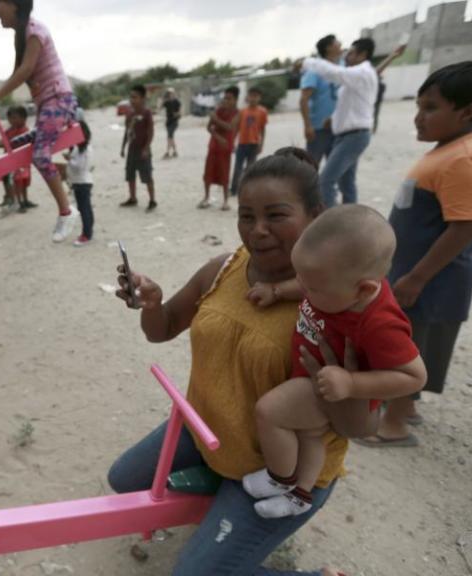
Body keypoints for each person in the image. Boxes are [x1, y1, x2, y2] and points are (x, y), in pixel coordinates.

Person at [109, 149, 347, 576]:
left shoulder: (336, 304)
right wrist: (152, 302)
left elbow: (365, 422)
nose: (257, 231)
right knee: (123, 480)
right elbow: (161, 329)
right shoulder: (224, 269)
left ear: (316, 215)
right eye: (246, 216)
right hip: (204, 430)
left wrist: (341, 388)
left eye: (275, 216)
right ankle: (222, 502)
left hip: (276, 470)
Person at [241, 205, 426, 519]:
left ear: (364, 289)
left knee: (269, 412)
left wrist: (352, 383)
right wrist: (277, 290)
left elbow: (414, 376)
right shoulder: (335, 281)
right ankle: (300, 496)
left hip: (330, 384)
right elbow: (304, 283)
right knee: (308, 435)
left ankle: (280, 478)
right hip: (319, 376)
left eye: (313, 288)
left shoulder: (380, 322)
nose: (305, 291)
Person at [359, 61, 472, 447]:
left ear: (468, 111)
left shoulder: (467, 158)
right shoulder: (449, 148)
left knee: (407, 347)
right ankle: (404, 407)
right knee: (406, 340)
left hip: (429, 280)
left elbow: (466, 226)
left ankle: (395, 425)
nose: (419, 117)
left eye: (431, 108)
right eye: (419, 106)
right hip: (413, 273)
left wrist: (417, 278)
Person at [0, 0, 78, 243]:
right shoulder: (23, 34)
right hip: (49, 104)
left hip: (58, 100)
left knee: (39, 154)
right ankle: (66, 204)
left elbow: (25, 70)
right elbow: (24, 72)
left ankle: (66, 211)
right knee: (24, 141)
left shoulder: (35, 31)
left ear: (14, 5)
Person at [299, 38, 379, 207]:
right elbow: (352, 105)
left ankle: (333, 223)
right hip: (343, 134)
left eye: (350, 52)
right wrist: (334, 119)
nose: (346, 54)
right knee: (346, 183)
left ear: (362, 55)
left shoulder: (361, 72)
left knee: (325, 182)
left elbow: (335, 73)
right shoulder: (356, 74)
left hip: (353, 136)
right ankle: (350, 223)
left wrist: (306, 61)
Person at [0, 105, 37, 212]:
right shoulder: (9, 131)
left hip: (23, 161)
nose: (11, 120)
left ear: (23, 118)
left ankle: (25, 200)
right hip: (12, 162)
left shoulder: (25, 131)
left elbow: (12, 143)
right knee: (17, 182)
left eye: (14, 118)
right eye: (10, 118)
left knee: (24, 182)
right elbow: (4, 143)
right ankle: (19, 202)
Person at [300, 35, 341, 164]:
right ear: (328, 48)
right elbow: (303, 100)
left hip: (338, 127)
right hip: (318, 129)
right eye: (337, 42)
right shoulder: (315, 71)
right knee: (311, 166)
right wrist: (308, 126)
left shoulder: (341, 68)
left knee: (334, 167)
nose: (340, 44)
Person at [120, 84, 156, 211]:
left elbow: (151, 132)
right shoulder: (129, 114)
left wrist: (146, 148)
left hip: (143, 149)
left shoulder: (147, 113)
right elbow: (127, 131)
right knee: (130, 175)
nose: (132, 100)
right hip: (132, 149)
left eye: (135, 97)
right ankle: (133, 198)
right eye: (131, 97)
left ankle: (152, 200)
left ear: (142, 98)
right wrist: (123, 147)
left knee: (146, 175)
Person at [202, 86, 240, 210]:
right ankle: (206, 198)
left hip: (226, 148)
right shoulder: (219, 110)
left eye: (229, 99)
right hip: (214, 146)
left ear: (235, 100)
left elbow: (230, 127)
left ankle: (225, 201)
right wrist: (217, 137)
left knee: (224, 173)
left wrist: (216, 120)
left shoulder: (237, 113)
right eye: (225, 98)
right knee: (208, 172)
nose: (226, 101)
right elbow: (209, 127)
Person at [229, 87, 269, 196]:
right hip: (242, 144)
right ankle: (234, 189)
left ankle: (247, 189)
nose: (253, 98)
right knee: (238, 168)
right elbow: (235, 127)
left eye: (256, 96)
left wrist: (262, 144)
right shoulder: (242, 111)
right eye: (251, 96)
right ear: (248, 97)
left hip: (254, 144)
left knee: (250, 168)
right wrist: (232, 141)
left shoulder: (262, 112)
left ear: (259, 98)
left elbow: (262, 129)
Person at [65, 121, 95, 246]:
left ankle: (86, 234)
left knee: (84, 209)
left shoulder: (86, 149)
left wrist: (69, 160)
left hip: (83, 182)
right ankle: (88, 231)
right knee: (85, 208)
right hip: (78, 182)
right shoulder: (77, 148)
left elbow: (80, 167)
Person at [162, 88, 182, 159]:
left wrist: (176, 114)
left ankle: (168, 152)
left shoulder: (177, 102)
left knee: (169, 137)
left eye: (171, 93)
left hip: (174, 122)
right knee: (170, 137)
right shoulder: (167, 102)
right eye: (169, 93)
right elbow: (160, 107)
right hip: (168, 122)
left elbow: (180, 112)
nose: (170, 95)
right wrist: (164, 99)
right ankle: (174, 152)